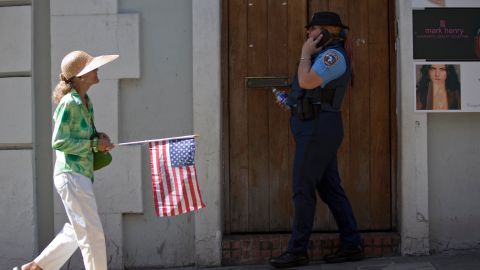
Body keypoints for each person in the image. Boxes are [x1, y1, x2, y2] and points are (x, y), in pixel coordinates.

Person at [269, 12, 363, 268]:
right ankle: (352, 244)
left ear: (325, 32)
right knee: (330, 189)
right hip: (314, 128)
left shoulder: (332, 56)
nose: (308, 35)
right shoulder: (324, 56)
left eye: (312, 30)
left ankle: (298, 251)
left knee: (303, 188)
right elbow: (310, 90)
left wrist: (304, 52)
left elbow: (307, 80)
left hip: (318, 130)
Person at [14, 50, 118, 270]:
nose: (97, 69)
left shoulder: (85, 101)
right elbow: (58, 141)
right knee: (92, 235)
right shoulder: (69, 103)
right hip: (71, 174)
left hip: (79, 174)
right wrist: (92, 144)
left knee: (77, 230)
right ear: (80, 76)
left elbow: (85, 138)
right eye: (92, 67)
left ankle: (35, 268)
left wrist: (100, 139)